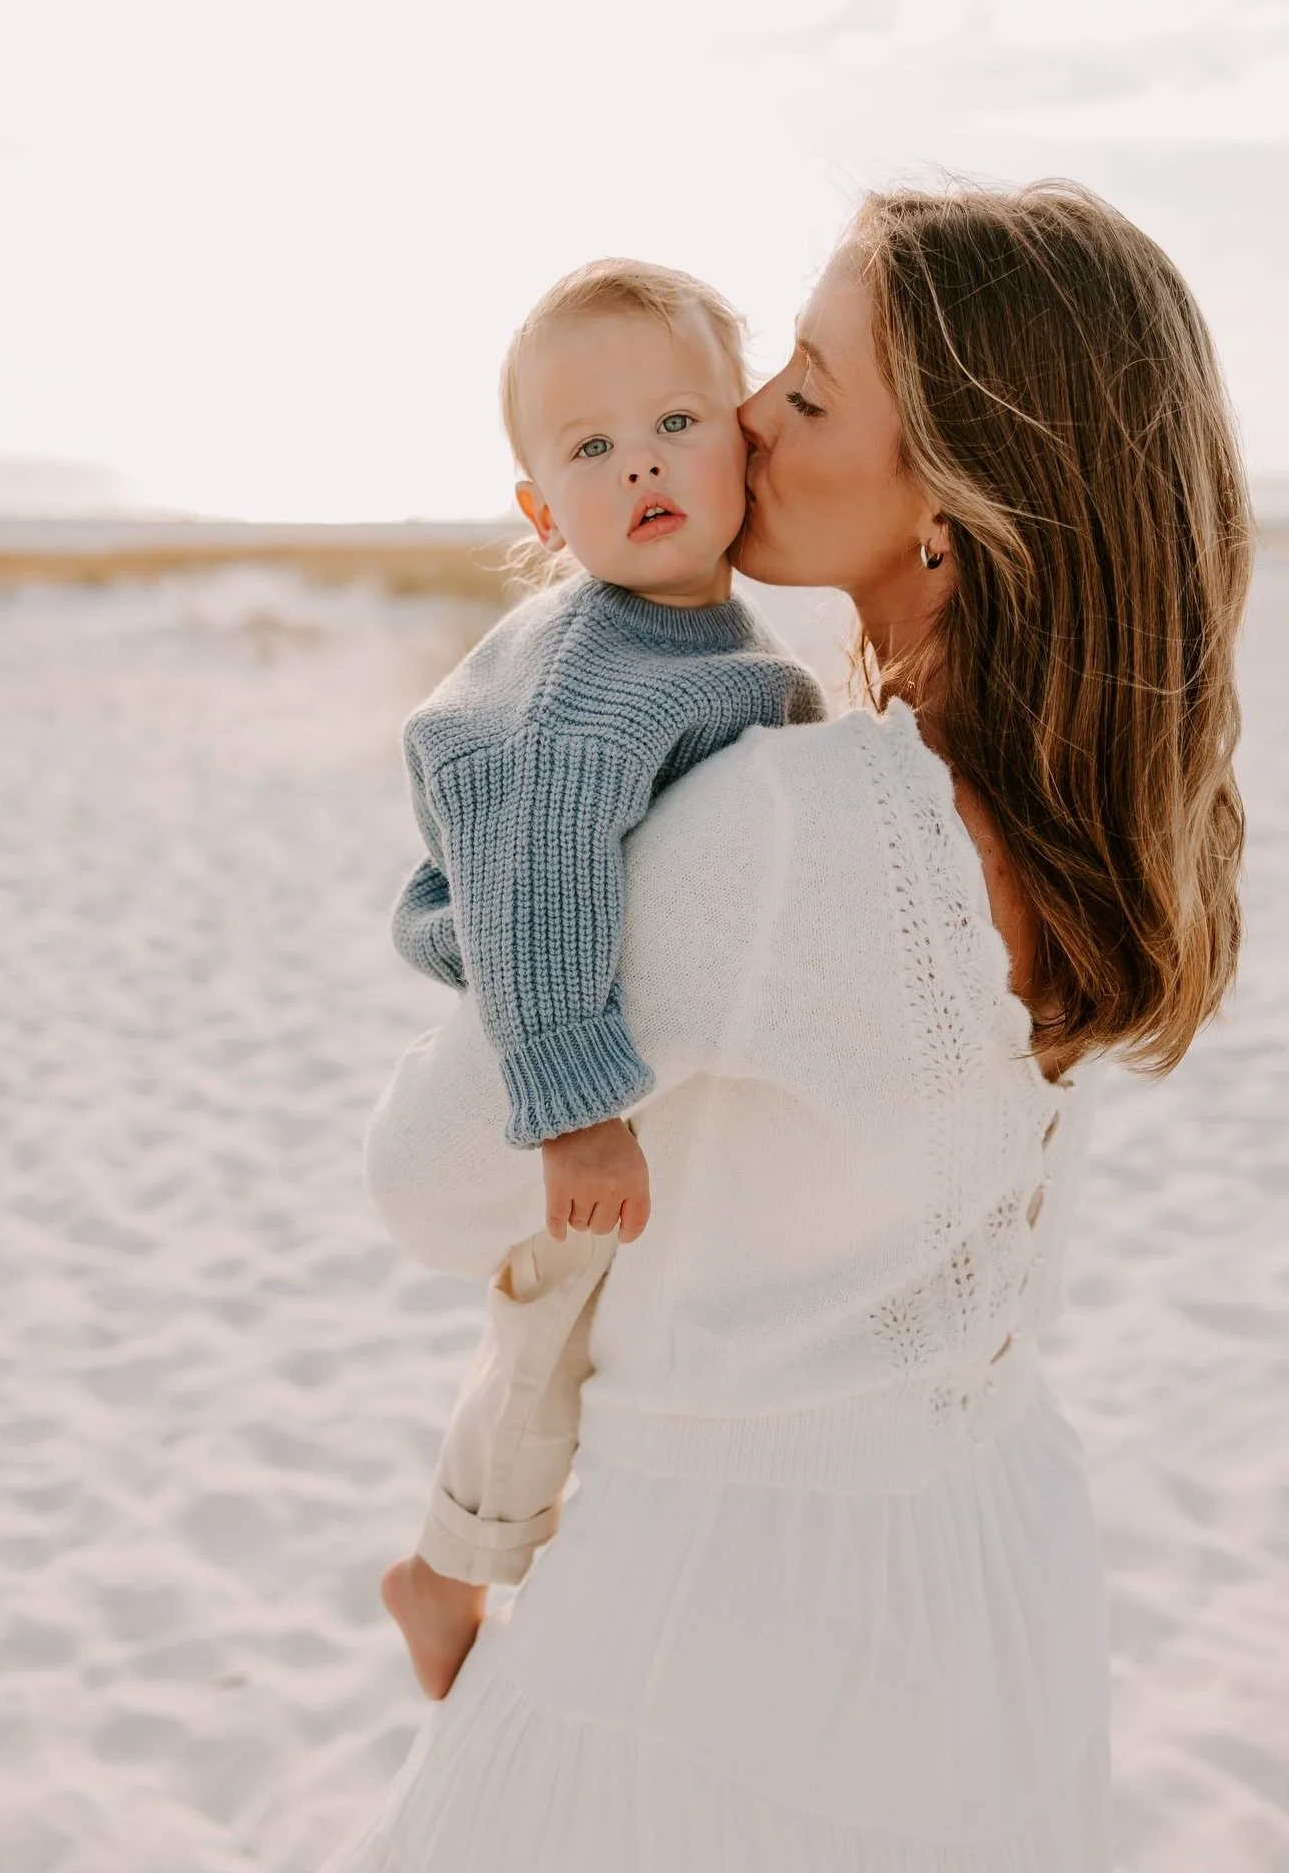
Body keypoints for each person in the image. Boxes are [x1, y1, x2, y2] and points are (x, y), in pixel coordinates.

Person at [326, 181, 1251, 1872]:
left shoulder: (783, 834)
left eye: (810, 392)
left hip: (728, 1623)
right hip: (995, 1577)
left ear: (954, 513)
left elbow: (433, 1180)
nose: (749, 414)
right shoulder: (1102, 813)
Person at [380, 258, 822, 1699]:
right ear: (541, 512)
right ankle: (448, 1569)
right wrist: (575, 1101)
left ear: (743, 438)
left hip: (571, 987)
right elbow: (540, 867)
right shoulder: (588, 688)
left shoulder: (686, 625)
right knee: (552, 1327)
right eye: (589, 447)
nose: (641, 460)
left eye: (678, 421)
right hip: (545, 1017)